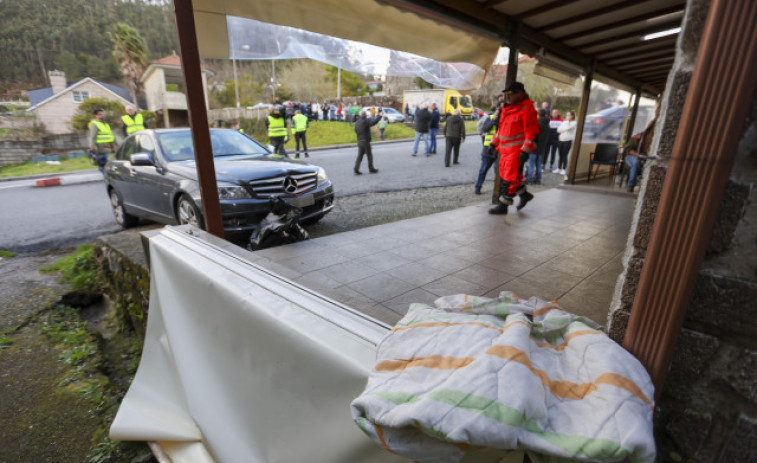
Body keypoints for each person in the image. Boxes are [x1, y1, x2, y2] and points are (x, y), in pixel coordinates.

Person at [488, 82, 538, 215]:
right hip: (504, 152)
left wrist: (524, 151)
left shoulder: (527, 109)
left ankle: (503, 206)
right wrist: (493, 144)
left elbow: (531, 133)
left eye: (511, 93)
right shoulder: (507, 109)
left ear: (520, 93)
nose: (508, 96)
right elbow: (501, 131)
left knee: (508, 179)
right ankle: (525, 195)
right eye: (506, 94)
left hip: (516, 152)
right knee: (511, 177)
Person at [623, 110, 657, 192]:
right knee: (635, 162)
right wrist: (637, 155)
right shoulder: (638, 137)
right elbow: (628, 149)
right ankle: (631, 185)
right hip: (632, 156)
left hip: (645, 157)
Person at [474, 106, 500, 195]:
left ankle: (498, 189)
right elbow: (485, 128)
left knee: (498, 171)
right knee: (483, 169)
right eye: (497, 111)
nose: (498, 113)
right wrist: (493, 121)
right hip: (488, 149)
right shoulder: (490, 118)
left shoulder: (504, 120)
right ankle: (478, 187)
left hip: (499, 150)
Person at [354, 109, 382, 175]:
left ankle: (356, 168)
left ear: (360, 115)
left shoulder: (357, 122)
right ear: (365, 116)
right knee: (369, 155)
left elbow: (356, 130)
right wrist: (379, 116)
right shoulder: (365, 121)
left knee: (359, 156)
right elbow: (373, 122)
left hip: (359, 141)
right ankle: (371, 168)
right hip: (365, 141)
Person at [89, 108, 116, 175]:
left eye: (103, 114)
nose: (102, 115)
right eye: (100, 114)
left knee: (106, 164)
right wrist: (92, 147)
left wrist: (114, 145)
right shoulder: (95, 124)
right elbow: (93, 136)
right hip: (99, 148)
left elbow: (110, 135)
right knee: (102, 165)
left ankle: (107, 177)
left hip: (106, 147)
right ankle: (106, 177)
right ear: (95, 115)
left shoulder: (105, 124)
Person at [529, 108, 550, 185]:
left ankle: (530, 179)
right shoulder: (547, 125)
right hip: (541, 147)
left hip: (534, 147)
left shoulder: (537, 124)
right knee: (538, 164)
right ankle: (538, 179)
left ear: (538, 115)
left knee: (531, 164)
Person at [556, 110, 577, 175]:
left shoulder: (574, 123)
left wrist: (567, 123)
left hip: (568, 140)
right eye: (567, 115)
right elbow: (558, 130)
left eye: (568, 115)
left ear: (572, 116)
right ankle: (559, 168)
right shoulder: (564, 122)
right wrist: (564, 127)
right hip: (561, 139)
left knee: (565, 155)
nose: (567, 116)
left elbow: (568, 128)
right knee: (560, 155)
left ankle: (564, 168)